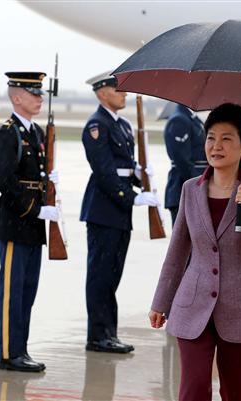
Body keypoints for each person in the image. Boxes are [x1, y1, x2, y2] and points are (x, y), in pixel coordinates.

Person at [149, 103, 241, 401]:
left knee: (236, 388)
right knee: (193, 388)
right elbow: (178, 248)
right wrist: (161, 301)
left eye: (226, 139)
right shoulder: (190, 190)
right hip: (193, 303)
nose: (216, 146)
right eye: (211, 137)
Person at [80, 71, 159, 354]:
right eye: (118, 90)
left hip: (119, 211)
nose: (123, 94)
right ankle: (98, 336)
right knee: (100, 276)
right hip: (104, 208)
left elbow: (125, 165)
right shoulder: (96, 126)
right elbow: (104, 171)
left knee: (113, 275)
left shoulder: (123, 126)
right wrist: (133, 197)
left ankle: (108, 333)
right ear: (102, 93)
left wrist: (140, 175)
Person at [0, 71, 59, 373]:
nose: (40, 98)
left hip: (33, 223)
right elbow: (7, 183)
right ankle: (8, 352)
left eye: (41, 93)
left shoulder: (37, 133)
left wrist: (49, 187)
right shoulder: (8, 133)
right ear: (17, 96)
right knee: (12, 291)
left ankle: (21, 349)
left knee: (27, 290)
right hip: (17, 220)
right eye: (33, 93)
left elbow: (36, 176)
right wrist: (36, 210)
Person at [163, 103, 206, 225]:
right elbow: (182, 161)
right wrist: (200, 184)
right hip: (183, 190)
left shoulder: (192, 118)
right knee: (184, 241)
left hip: (192, 191)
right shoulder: (179, 120)